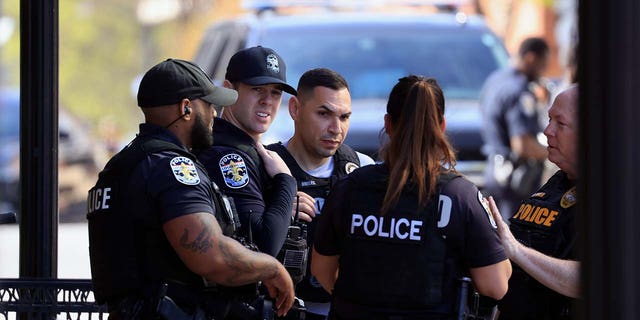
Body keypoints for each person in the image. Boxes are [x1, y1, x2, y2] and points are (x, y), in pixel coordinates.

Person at [86, 58, 294, 319]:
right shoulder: (171, 167)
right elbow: (212, 256)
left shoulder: (121, 165)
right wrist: (271, 268)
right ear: (186, 109)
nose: (215, 115)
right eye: (208, 105)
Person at [311, 75, 512, 319]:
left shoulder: (350, 188)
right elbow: (496, 286)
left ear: (387, 123)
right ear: (442, 126)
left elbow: (322, 271)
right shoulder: (459, 195)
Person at [266, 68, 375, 319]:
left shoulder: (363, 169)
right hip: (277, 310)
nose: (336, 128)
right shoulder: (265, 166)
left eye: (344, 117)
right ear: (295, 109)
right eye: (324, 114)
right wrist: (279, 208)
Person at [196, 46, 299, 258]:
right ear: (229, 90)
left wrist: (286, 203)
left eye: (275, 93)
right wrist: (285, 183)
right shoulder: (228, 156)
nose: (267, 101)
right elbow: (263, 245)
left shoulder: (246, 148)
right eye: (257, 89)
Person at [487, 85, 580, 320]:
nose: (548, 130)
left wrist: (517, 251)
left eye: (561, 123)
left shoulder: (614, 197)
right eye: (549, 119)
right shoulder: (558, 181)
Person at [480, 37, 551, 220]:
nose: (544, 71)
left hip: (494, 171)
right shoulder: (519, 91)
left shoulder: (495, 79)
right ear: (530, 58)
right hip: (514, 180)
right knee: (514, 240)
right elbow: (523, 145)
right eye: (543, 64)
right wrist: (553, 154)